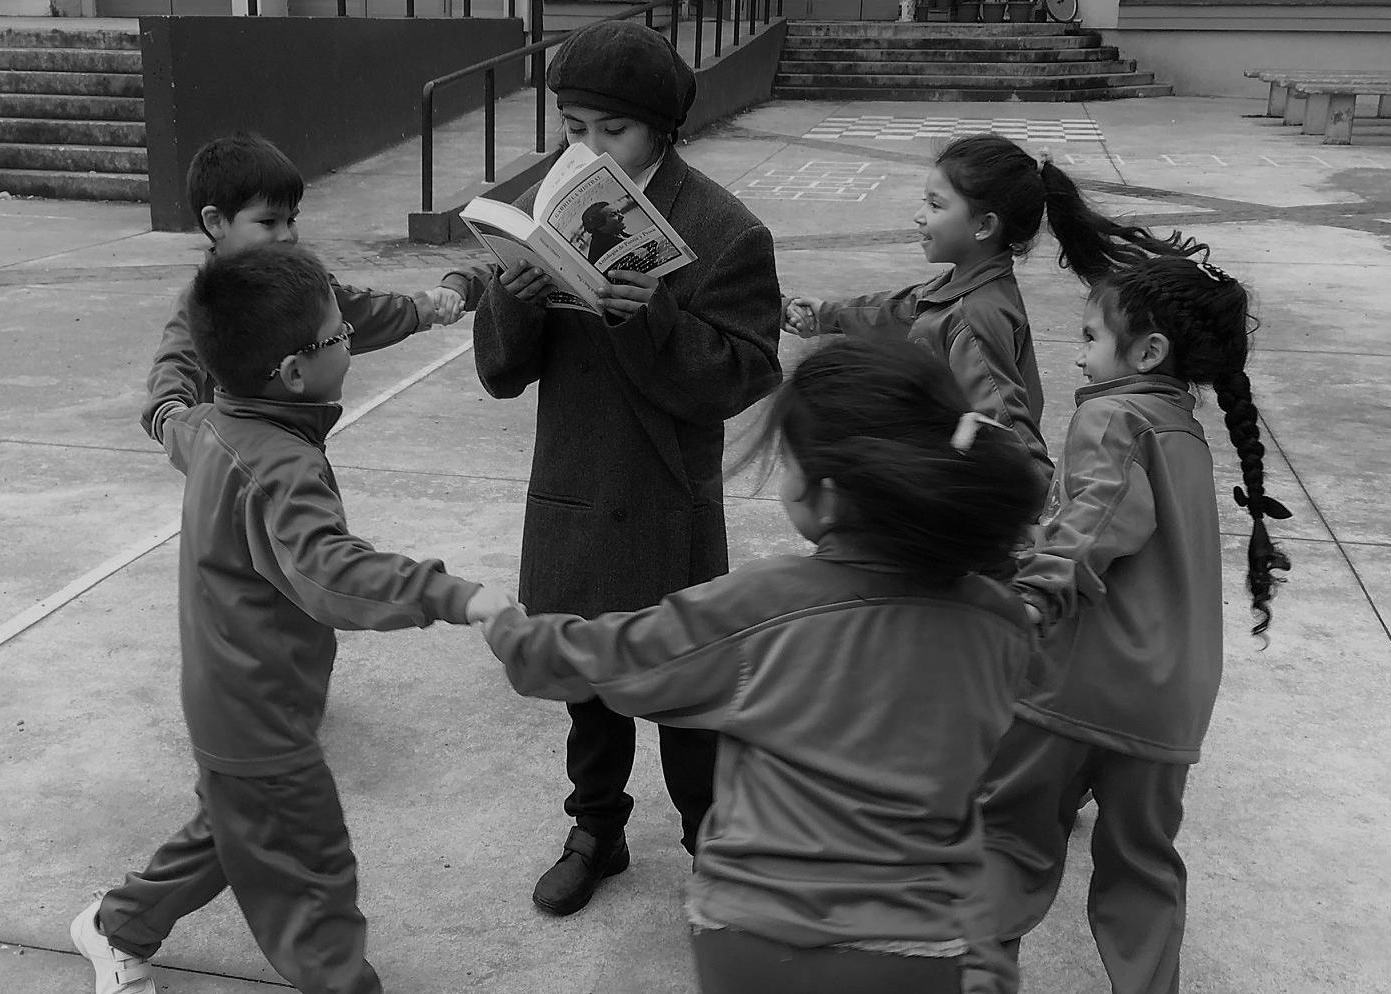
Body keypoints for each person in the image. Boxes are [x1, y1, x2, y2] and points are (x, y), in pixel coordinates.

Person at [477, 338, 1044, 993]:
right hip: (919, 946)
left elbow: (619, 658)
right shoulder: (1000, 622)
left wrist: (515, 634)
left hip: (756, 939)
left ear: (827, 498)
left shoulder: (763, 606)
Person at [71, 243, 516, 994]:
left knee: (233, 832)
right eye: (341, 335)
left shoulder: (213, 425)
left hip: (226, 697)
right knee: (312, 882)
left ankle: (120, 925)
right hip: (262, 714)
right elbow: (326, 569)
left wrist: (170, 393)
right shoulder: (283, 465)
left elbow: (170, 414)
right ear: (295, 372)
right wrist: (452, 595)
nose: (350, 342)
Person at [437, 20, 782, 917]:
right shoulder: (559, 208)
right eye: (574, 127)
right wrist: (512, 297)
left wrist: (654, 318)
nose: (587, 150)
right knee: (586, 680)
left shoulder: (723, 230)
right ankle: (597, 828)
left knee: (684, 687)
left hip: (665, 495)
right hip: (576, 484)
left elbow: (744, 371)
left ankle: (713, 839)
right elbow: (504, 375)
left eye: (610, 132)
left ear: (662, 132)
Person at [978, 256, 1294, 994]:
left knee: (1009, 841)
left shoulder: (1111, 414)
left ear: (1147, 352)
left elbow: (1096, 517)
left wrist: (1033, 593)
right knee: (1142, 863)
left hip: (1075, 685)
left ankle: (977, 980)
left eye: (1090, 335)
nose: (1078, 350)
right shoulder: (1180, 428)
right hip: (1169, 703)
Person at [781, 133, 1203, 505]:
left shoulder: (974, 316)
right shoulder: (963, 288)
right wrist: (824, 314)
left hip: (957, 498)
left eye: (935, 204)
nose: (919, 215)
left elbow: (1005, 427)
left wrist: (1034, 513)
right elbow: (898, 309)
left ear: (984, 225)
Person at [140, 132, 464, 444]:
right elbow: (173, 370)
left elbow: (358, 311)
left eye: (291, 220)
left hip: (296, 445)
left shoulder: (301, 283)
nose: (286, 235)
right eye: (268, 222)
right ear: (216, 222)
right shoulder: (205, 303)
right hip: (233, 458)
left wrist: (423, 308)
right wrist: (178, 424)